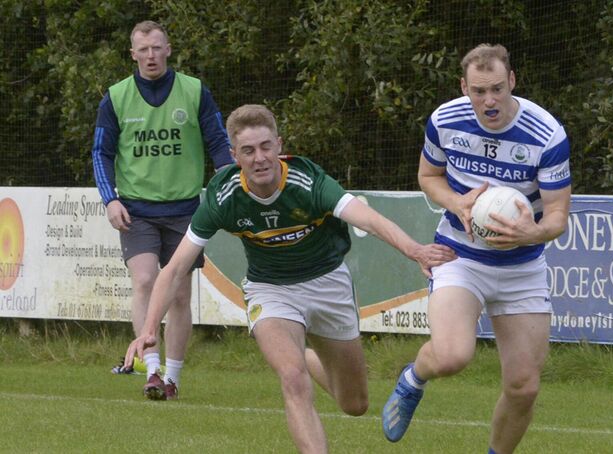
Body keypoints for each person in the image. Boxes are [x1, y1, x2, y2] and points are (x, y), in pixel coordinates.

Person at [125, 104, 456, 452]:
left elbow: (368, 219)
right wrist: (148, 330)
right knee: (292, 378)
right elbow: (175, 268)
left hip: (328, 284)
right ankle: (300, 365)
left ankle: (311, 358)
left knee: (355, 404)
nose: (260, 158)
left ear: (279, 145)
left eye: (266, 146)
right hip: (270, 291)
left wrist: (414, 250)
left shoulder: (308, 181)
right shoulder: (223, 197)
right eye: (248, 151)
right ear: (234, 156)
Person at [381, 44, 571, 453]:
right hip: (459, 256)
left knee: (524, 387)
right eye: (479, 91)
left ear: (512, 81)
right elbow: (428, 175)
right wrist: (457, 202)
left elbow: (557, 216)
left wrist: (530, 233)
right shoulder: (444, 120)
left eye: (498, 89)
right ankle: (413, 378)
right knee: (451, 356)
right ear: (464, 87)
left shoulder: (547, 134)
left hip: (522, 266)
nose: (489, 101)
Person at [91, 20, 233, 399]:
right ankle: (150, 370)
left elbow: (218, 139)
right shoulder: (116, 97)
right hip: (136, 210)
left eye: (157, 48)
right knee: (144, 281)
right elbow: (101, 152)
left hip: (187, 210)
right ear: (133, 54)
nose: (151, 55)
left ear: (168, 50)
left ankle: (173, 377)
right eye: (144, 49)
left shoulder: (194, 91)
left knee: (182, 296)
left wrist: (229, 178)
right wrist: (111, 199)